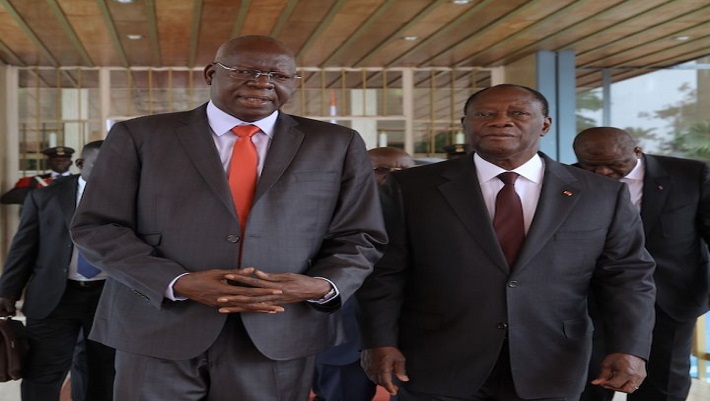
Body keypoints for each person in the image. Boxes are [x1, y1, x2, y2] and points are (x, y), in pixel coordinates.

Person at [70, 35, 387, 401]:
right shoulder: (140, 136)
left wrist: (323, 285)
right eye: (245, 71)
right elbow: (97, 226)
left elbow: (361, 234)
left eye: (278, 75)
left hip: (278, 329)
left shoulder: (336, 143)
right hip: (156, 327)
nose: (262, 83)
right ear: (211, 73)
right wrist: (176, 282)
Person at [356, 84, 657, 401]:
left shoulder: (602, 194)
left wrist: (630, 347)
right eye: (485, 114)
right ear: (465, 124)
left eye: (518, 113)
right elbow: (385, 273)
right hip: (437, 361)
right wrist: (377, 340)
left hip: (551, 362)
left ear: (545, 125)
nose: (500, 121)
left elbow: (628, 277)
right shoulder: (410, 187)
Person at [573, 127, 710, 401]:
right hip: (590, 300)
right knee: (587, 381)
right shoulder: (567, 178)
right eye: (592, 166)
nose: (603, 172)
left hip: (670, 298)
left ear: (637, 151)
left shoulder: (691, 174)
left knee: (663, 384)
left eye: (614, 164)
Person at [0, 140, 115, 401]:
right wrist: (7, 292)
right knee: (43, 370)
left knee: (103, 371)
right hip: (55, 297)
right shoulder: (45, 196)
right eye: (99, 165)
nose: (108, 171)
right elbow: (23, 248)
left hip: (108, 297)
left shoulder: (129, 196)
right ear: (81, 164)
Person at [312, 147, 415, 401]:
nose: (393, 177)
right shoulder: (324, 211)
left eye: (404, 171)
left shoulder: (431, 214)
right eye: (382, 170)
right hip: (342, 339)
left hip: (412, 339)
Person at [1, 146, 74, 205]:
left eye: (64, 160)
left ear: (70, 162)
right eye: (55, 160)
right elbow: (6, 199)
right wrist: (37, 192)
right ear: (49, 162)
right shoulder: (35, 181)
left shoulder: (77, 180)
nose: (60, 162)